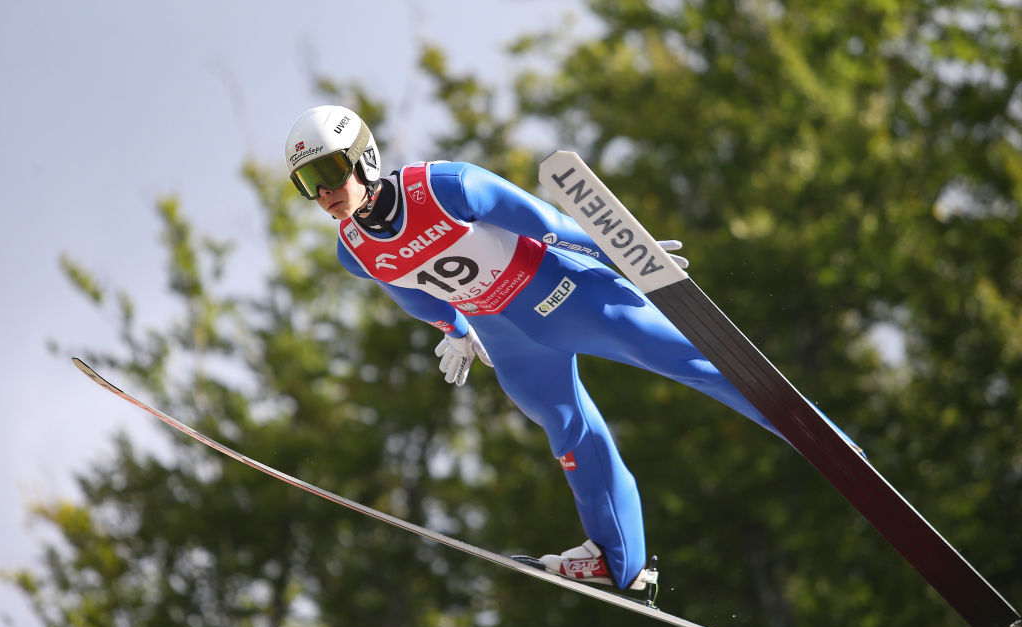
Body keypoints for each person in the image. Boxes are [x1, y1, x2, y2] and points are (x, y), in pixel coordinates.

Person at [283, 105, 848, 592]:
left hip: (568, 294)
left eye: (331, 172)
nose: (326, 194)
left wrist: (622, 255)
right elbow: (410, 293)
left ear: (365, 158)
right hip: (510, 338)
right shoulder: (353, 249)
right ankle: (618, 563)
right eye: (309, 184)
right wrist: (454, 330)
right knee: (568, 430)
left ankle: (829, 446)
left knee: (693, 362)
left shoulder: (443, 186)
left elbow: (546, 223)